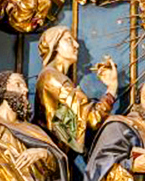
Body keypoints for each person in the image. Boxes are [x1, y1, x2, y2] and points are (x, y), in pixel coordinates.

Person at [35, 26, 115, 154]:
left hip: (57, 154)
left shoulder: (58, 78)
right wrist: (112, 88)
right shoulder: (51, 77)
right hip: (50, 154)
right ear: (55, 46)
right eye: (69, 40)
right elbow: (93, 119)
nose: (76, 45)